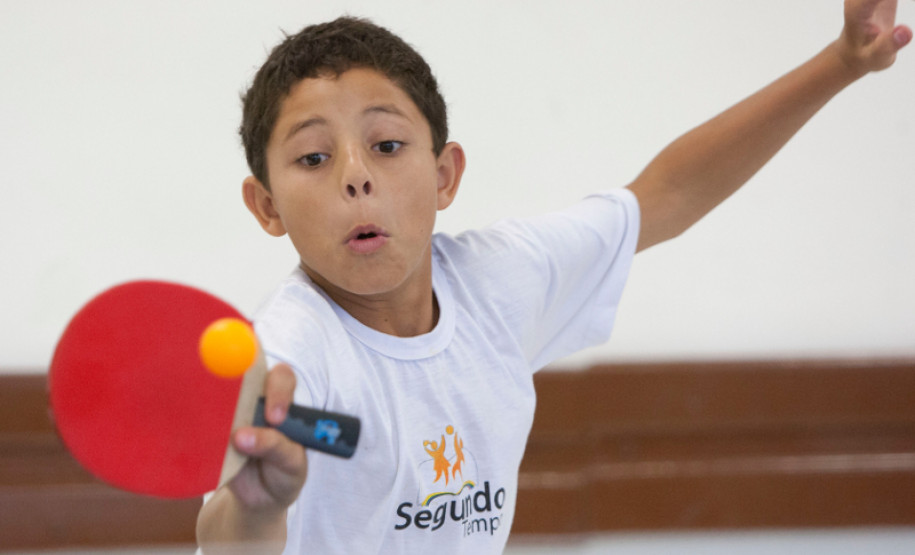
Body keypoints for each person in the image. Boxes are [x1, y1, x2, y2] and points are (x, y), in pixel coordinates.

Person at [197, 2, 911, 553]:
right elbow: (226, 532)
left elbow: (667, 195)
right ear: (266, 206)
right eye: (314, 158)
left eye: (386, 145)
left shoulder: (496, 281)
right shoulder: (291, 354)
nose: (356, 176)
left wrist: (841, 64)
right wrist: (257, 508)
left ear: (445, 176)